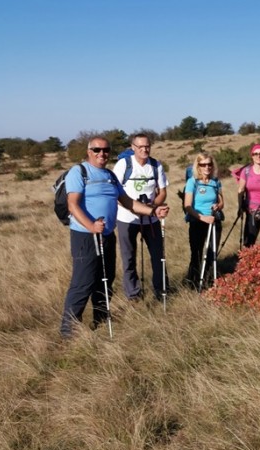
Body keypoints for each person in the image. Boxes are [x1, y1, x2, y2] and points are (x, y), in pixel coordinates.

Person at [60, 137, 170, 337]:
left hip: (107, 234)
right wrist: (91, 226)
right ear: (88, 151)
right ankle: (68, 331)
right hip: (85, 236)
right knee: (83, 282)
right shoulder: (79, 172)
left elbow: (128, 202)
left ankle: (101, 319)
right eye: (97, 150)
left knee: (106, 278)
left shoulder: (110, 175)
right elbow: (73, 204)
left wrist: (152, 212)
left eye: (106, 150)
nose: (102, 154)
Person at [113, 134, 168, 301]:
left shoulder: (155, 165)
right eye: (140, 147)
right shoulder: (124, 164)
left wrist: (150, 207)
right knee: (128, 257)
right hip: (126, 218)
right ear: (133, 147)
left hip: (151, 218)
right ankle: (133, 294)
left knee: (158, 256)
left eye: (147, 146)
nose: (144, 149)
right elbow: (116, 192)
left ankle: (161, 290)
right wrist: (134, 208)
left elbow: (162, 192)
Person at [184, 152, 224, 288]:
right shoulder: (192, 182)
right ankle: (193, 283)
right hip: (197, 221)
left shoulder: (216, 182)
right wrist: (203, 218)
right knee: (197, 253)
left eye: (209, 164)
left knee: (212, 254)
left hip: (214, 221)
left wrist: (218, 206)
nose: (207, 167)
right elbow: (187, 206)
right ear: (198, 166)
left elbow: (221, 202)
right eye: (203, 164)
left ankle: (209, 281)